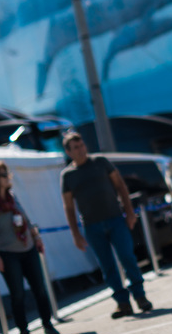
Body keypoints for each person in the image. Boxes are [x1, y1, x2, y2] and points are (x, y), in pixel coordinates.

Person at [60, 132, 153, 318]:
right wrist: (75, 234)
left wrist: (129, 212)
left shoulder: (101, 162)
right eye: (76, 148)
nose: (81, 150)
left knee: (128, 258)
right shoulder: (67, 175)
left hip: (116, 219)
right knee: (108, 266)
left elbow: (120, 186)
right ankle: (122, 302)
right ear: (69, 152)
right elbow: (69, 207)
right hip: (92, 227)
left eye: (82, 145)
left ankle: (140, 296)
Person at [0, 162, 60, 334]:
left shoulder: (12, 198)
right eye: (3, 175)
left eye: (7, 174)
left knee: (40, 289)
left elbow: (26, 220)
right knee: (18, 295)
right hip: (8, 254)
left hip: (28, 248)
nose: (8, 177)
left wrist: (36, 237)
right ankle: (24, 333)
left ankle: (48, 324)